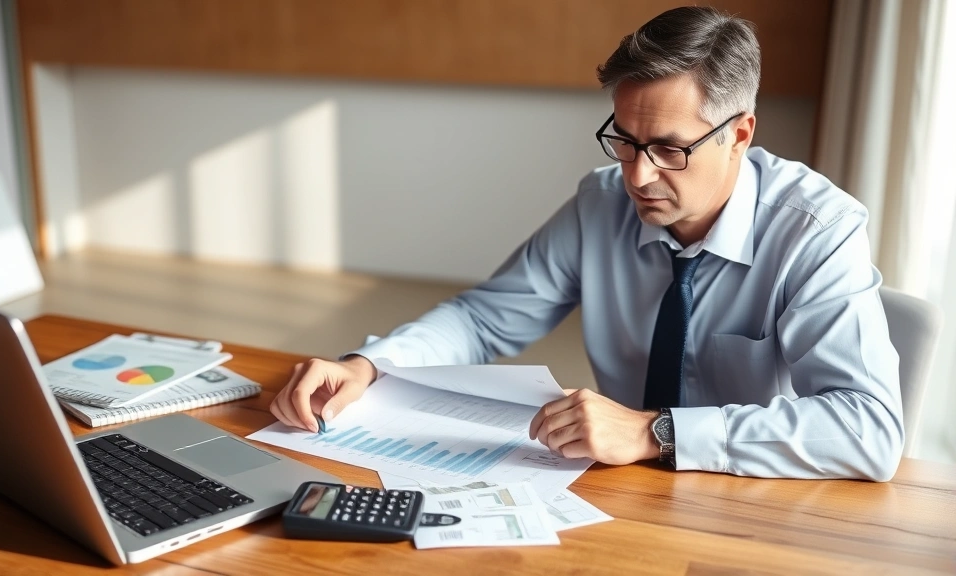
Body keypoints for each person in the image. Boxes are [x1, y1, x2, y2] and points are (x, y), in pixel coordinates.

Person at [269, 6, 903, 481]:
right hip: (613, 486)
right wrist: (370, 364)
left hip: (753, 494)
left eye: (669, 149)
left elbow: (870, 430)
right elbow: (483, 319)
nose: (637, 175)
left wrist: (658, 431)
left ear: (740, 134)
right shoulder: (601, 203)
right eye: (624, 140)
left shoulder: (817, 231)